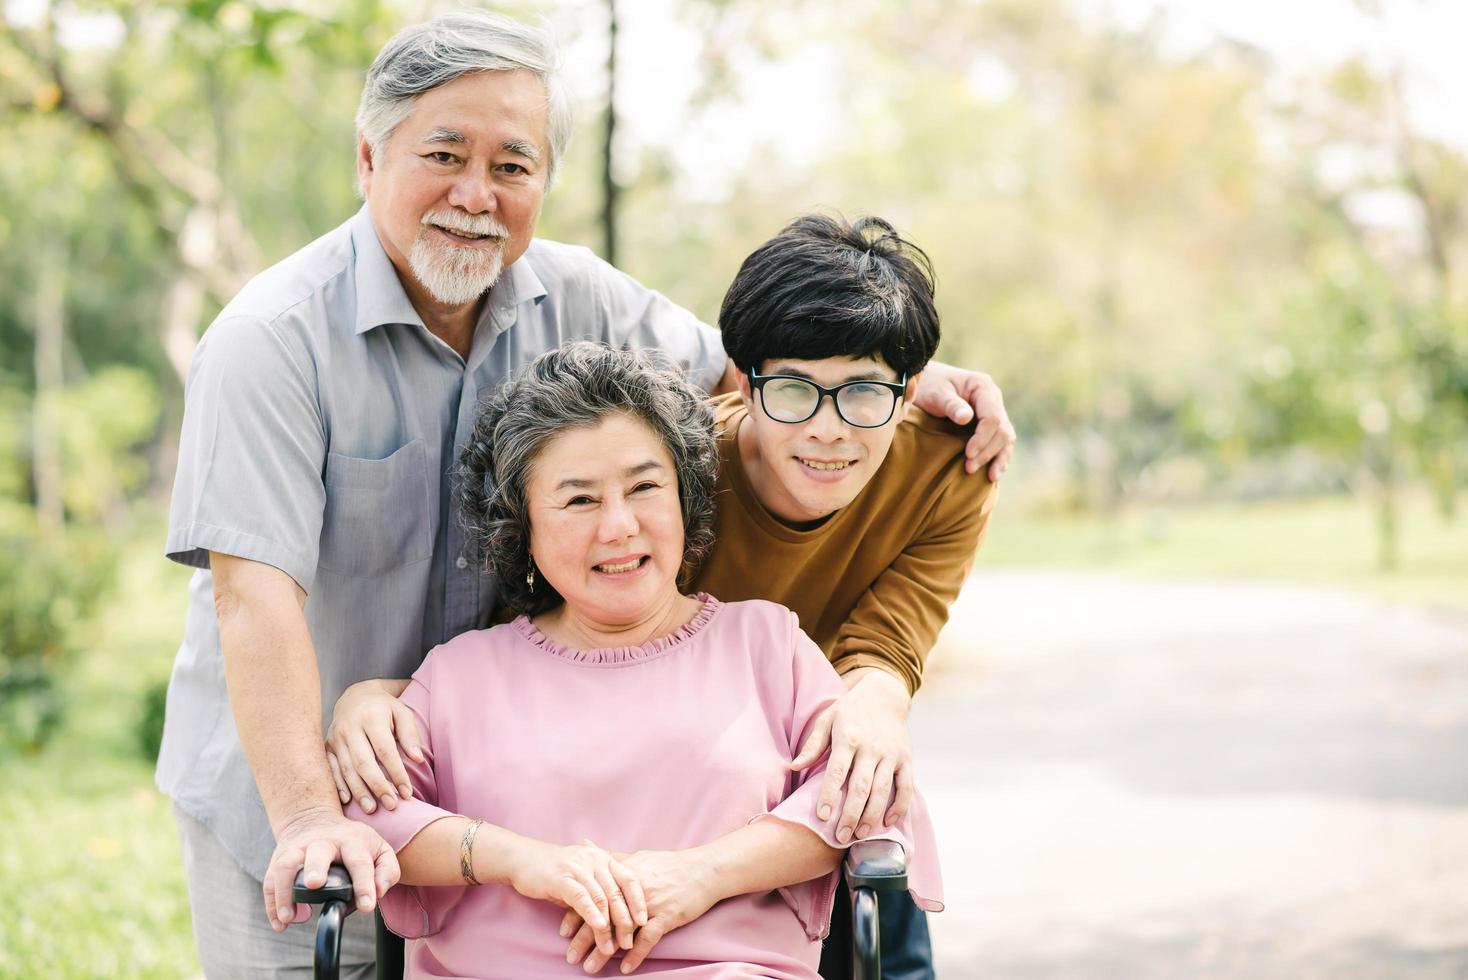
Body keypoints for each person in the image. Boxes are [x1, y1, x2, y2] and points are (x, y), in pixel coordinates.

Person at [160, 10, 1010, 975]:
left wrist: (906, 384)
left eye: (514, 166)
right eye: (444, 153)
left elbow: (754, 366)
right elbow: (252, 595)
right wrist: (311, 812)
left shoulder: (587, 299)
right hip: (301, 779)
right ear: (367, 156)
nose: (476, 195)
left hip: (502, 780)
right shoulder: (270, 340)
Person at [330, 213, 992, 979]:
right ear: (742, 381)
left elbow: (890, 644)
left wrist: (870, 709)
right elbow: (462, 709)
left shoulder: (941, 473)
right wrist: (376, 703)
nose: (829, 428)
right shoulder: (669, 451)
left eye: (866, 392)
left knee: (872, 809)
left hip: (747, 906)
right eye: (579, 501)